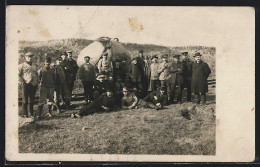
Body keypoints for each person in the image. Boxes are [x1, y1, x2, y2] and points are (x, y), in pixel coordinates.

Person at [18, 52, 39, 118]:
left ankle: (31, 114)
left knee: (31, 100)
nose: (30, 58)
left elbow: (36, 74)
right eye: (28, 57)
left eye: (31, 57)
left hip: (33, 84)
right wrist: (21, 82)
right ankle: (25, 114)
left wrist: (37, 82)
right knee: (25, 100)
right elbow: (18, 75)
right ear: (25, 57)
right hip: (25, 84)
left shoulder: (34, 65)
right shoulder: (21, 65)